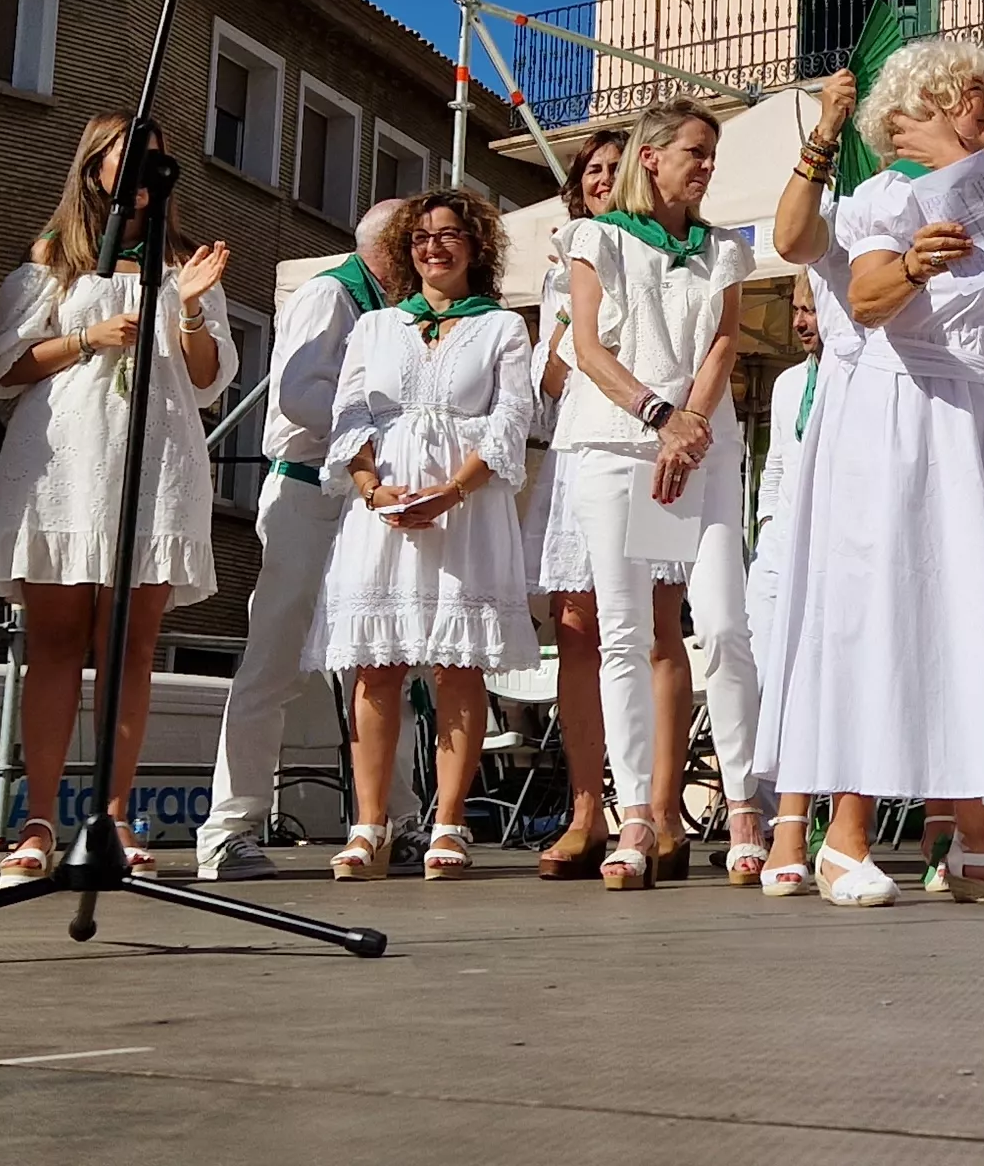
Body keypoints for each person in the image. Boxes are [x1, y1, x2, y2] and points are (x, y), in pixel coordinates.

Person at [759, 37, 984, 906]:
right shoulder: (888, 195)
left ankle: (980, 844)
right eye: (972, 97)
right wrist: (911, 262)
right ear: (930, 111)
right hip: (907, 426)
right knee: (884, 614)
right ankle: (844, 837)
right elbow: (868, 300)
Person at [0, 114, 235, 887]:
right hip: (64, 457)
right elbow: (1, 367)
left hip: (155, 458)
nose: (141, 172)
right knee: (56, 643)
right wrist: (90, 340)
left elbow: (206, 377)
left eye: (156, 160)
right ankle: (39, 818)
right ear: (93, 169)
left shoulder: (187, 262)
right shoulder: (52, 262)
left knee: (130, 648)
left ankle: (113, 814)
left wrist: (190, 306)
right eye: (126, 158)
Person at [549, 101, 751, 889]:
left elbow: (725, 340)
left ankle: (742, 811)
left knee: (726, 627)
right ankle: (634, 815)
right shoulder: (594, 238)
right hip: (614, 442)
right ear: (653, 157)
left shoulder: (725, 248)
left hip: (702, 447)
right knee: (624, 631)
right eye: (695, 151)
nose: (706, 165)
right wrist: (658, 416)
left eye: (712, 153)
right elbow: (589, 348)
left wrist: (692, 421)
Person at [317, 190, 541, 882]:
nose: (433, 247)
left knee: (457, 664)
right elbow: (348, 418)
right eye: (420, 238)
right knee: (376, 665)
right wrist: (372, 489)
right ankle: (369, 824)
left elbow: (510, 422)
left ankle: (448, 823)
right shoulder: (376, 328)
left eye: (449, 236)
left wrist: (451, 489)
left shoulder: (503, 328)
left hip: (464, 511)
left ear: (475, 247)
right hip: (383, 512)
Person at [200, 197, 415, 882]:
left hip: (354, 494)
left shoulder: (385, 306)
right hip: (309, 491)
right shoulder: (332, 295)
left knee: (378, 662)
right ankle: (228, 829)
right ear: (392, 249)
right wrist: (390, 434)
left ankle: (395, 820)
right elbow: (298, 394)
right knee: (276, 659)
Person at [739, 68, 863, 891]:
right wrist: (825, 129)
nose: (806, 315)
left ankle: (847, 827)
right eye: (802, 306)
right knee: (787, 663)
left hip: (874, 450)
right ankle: (788, 817)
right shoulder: (790, 382)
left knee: (855, 653)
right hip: (792, 526)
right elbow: (789, 234)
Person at [527, 129, 630, 880]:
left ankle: (648, 812)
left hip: (654, 454)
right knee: (576, 623)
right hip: (580, 452)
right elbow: (552, 379)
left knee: (651, 625)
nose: (603, 178)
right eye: (593, 169)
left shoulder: (675, 250)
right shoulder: (561, 274)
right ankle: (587, 810)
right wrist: (571, 332)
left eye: (618, 168)